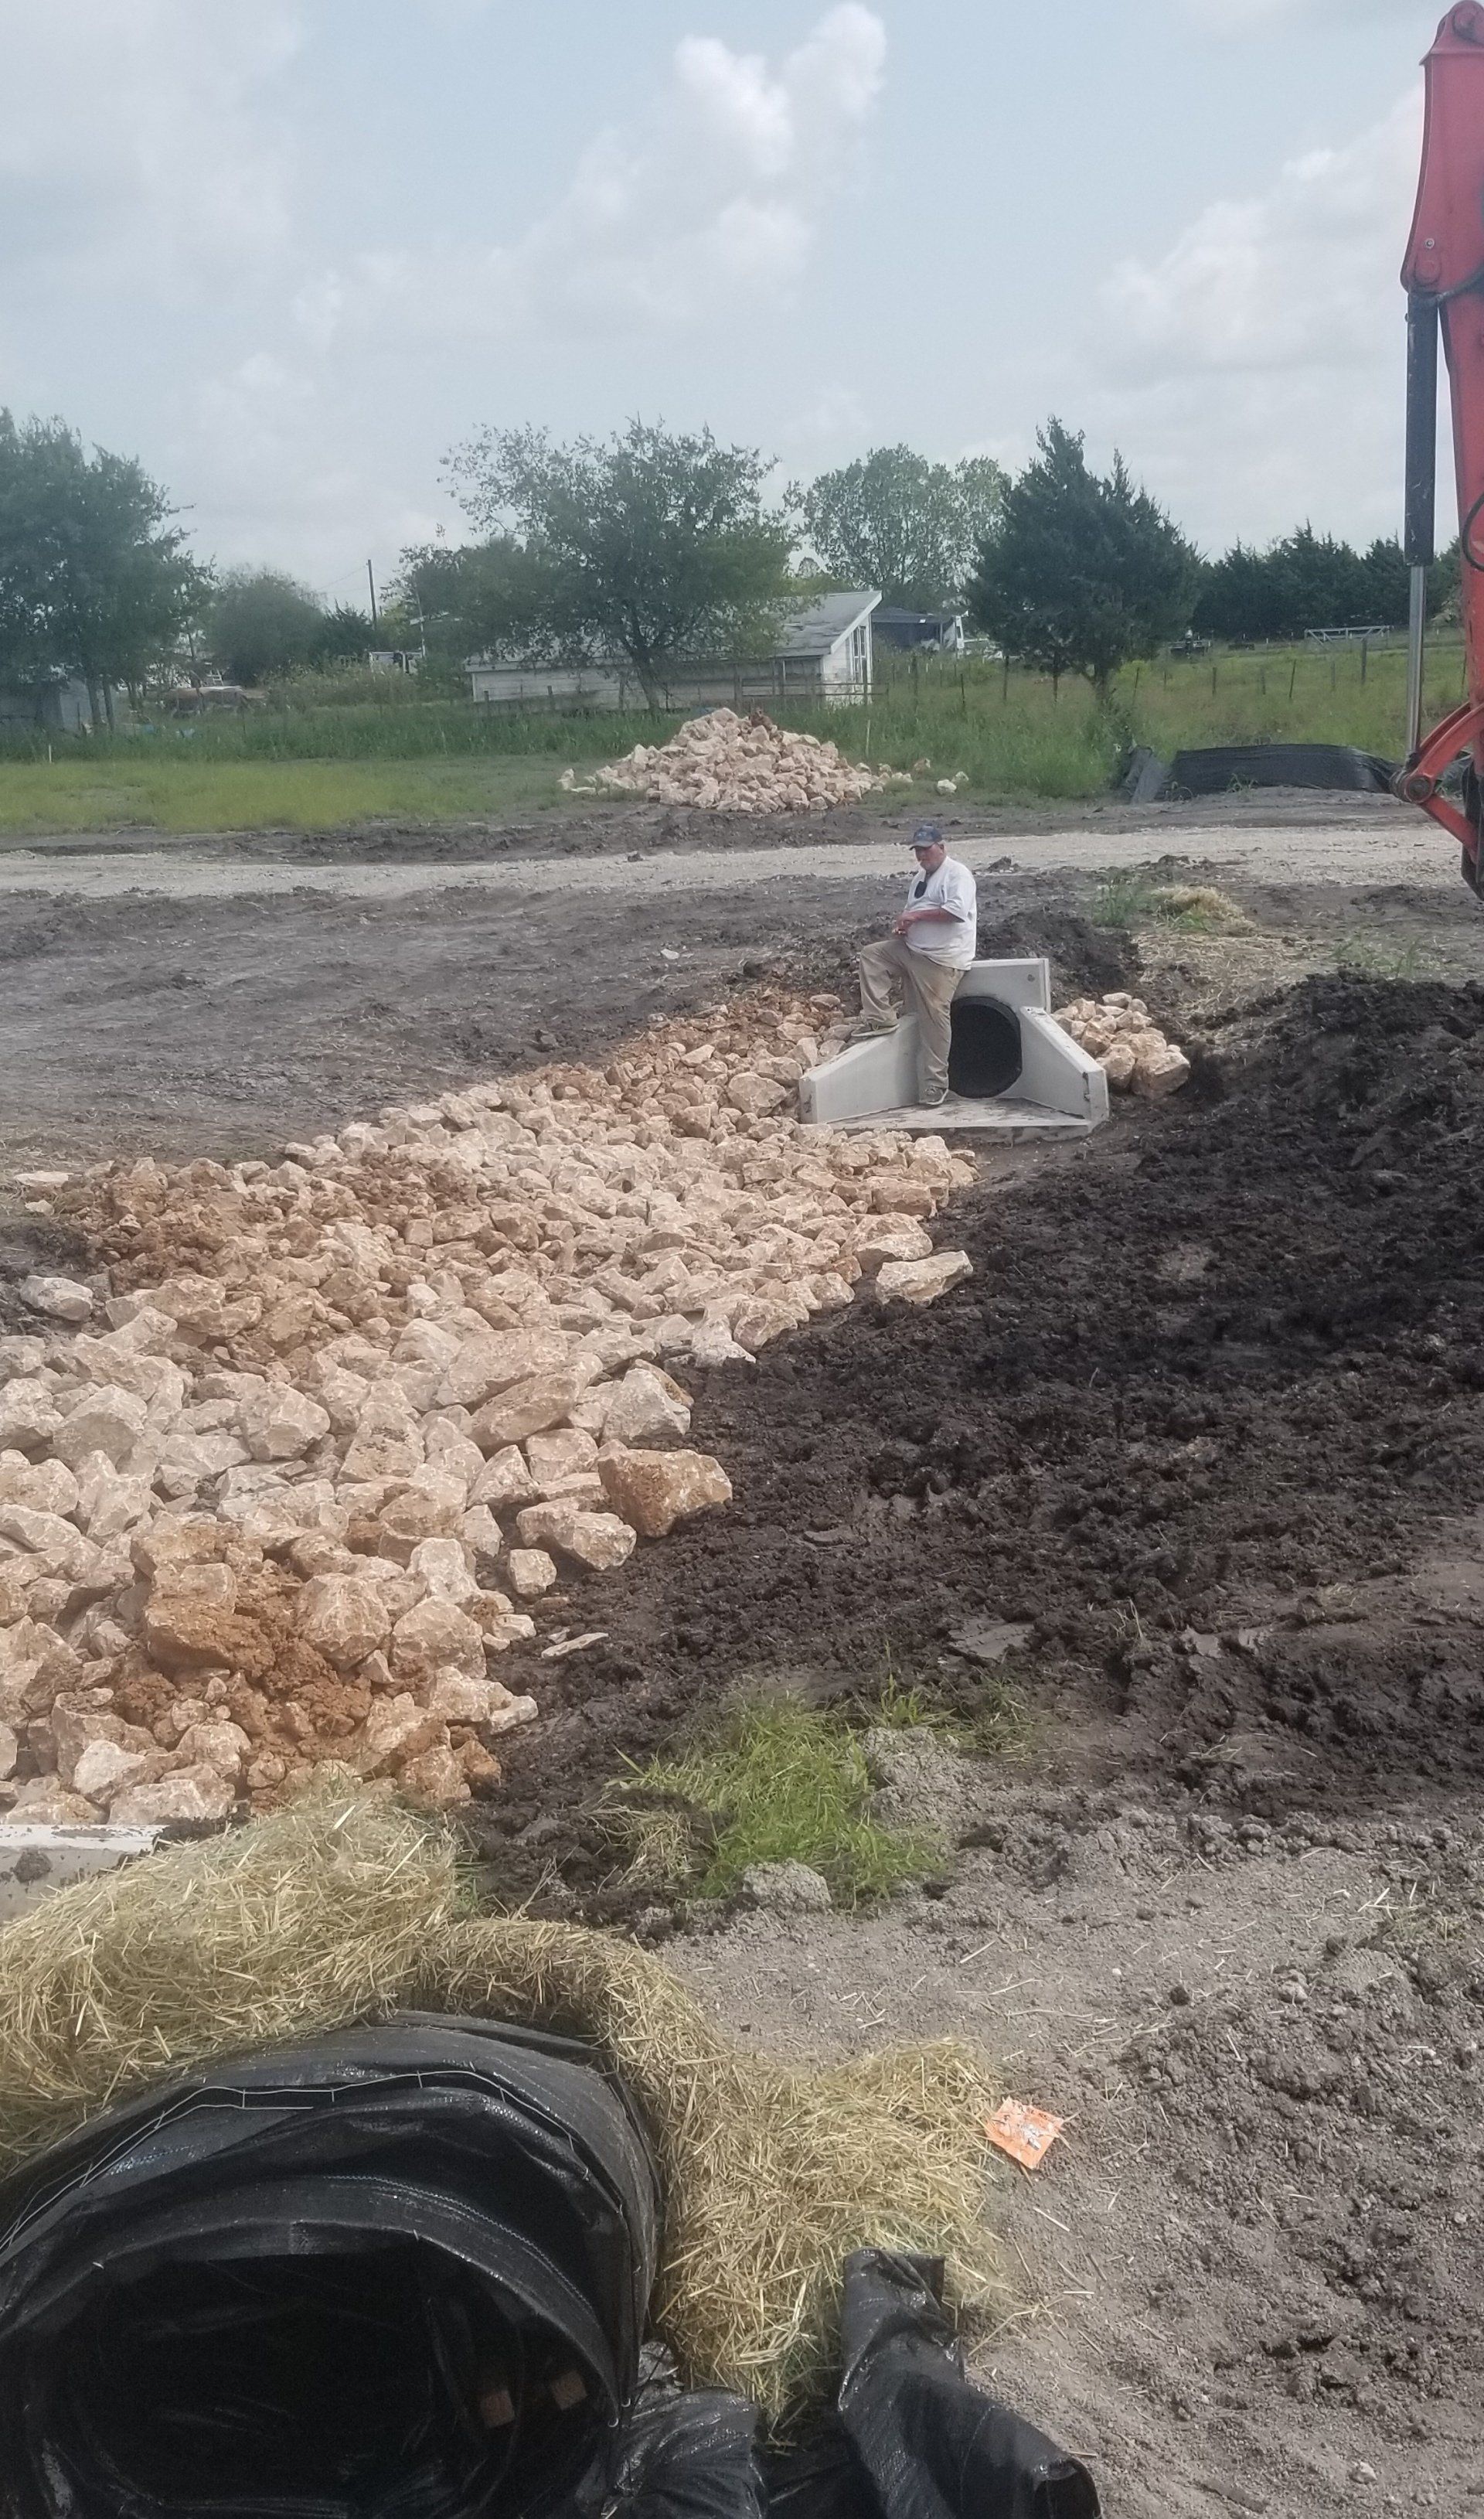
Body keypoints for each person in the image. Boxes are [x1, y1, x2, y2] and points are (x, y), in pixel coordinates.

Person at [852, 823, 978, 1106]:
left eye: (927, 850)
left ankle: (935, 1084)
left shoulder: (958, 875)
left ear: (942, 847)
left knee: (934, 1017)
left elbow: (956, 912)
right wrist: (905, 929)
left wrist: (917, 918)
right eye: (918, 851)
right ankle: (881, 1018)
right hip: (913, 949)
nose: (922, 856)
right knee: (872, 956)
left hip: (941, 960)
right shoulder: (921, 877)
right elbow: (914, 911)